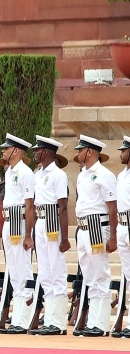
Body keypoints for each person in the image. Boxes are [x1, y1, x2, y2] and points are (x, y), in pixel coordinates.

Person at [71, 136, 118, 337]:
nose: (77, 153)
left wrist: (113, 237)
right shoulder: (82, 175)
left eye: (80, 150)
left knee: (100, 274)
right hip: (83, 228)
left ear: (89, 151)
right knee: (90, 276)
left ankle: (101, 324)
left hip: (98, 227)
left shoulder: (104, 174)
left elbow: (112, 207)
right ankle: (93, 322)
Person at [0, 135, 36, 334]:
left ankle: (24, 319)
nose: (3, 151)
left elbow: (29, 205)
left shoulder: (25, 172)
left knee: (23, 268)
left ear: (16, 150)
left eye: (6, 148)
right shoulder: (9, 172)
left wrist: (28, 234)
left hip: (20, 221)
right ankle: (17, 318)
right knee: (14, 269)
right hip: (9, 221)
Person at [28, 137, 70, 336]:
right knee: (44, 272)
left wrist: (65, 238)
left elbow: (62, 206)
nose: (34, 153)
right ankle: (50, 319)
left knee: (56, 271)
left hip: (53, 220)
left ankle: (59, 322)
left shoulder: (58, 174)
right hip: (41, 220)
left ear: (46, 152)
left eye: (37, 150)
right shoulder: (38, 174)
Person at [114, 136, 130, 338]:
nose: (120, 154)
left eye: (123, 150)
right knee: (127, 275)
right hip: (122, 225)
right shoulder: (121, 175)